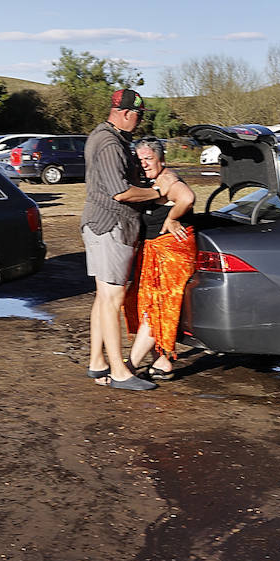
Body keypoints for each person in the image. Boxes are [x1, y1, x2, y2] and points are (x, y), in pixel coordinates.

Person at [81, 88, 163, 391]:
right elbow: (120, 192)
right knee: (112, 298)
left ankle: (97, 363)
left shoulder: (105, 137)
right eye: (138, 116)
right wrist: (158, 193)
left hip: (101, 225)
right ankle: (119, 371)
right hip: (110, 226)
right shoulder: (109, 143)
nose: (139, 122)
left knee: (104, 297)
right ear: (127, 113)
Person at [125, 138, 197, 379]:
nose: (144, 163)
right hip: (154, 252)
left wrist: (173, 217)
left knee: (155, 310)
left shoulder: (168, 179)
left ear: (161, 159)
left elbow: (186, 198)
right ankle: (161, 362)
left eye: (149, 159)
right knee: (147, 306)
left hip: (171, 255)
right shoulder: (151, 182)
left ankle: (129, 367)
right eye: (140, 159)